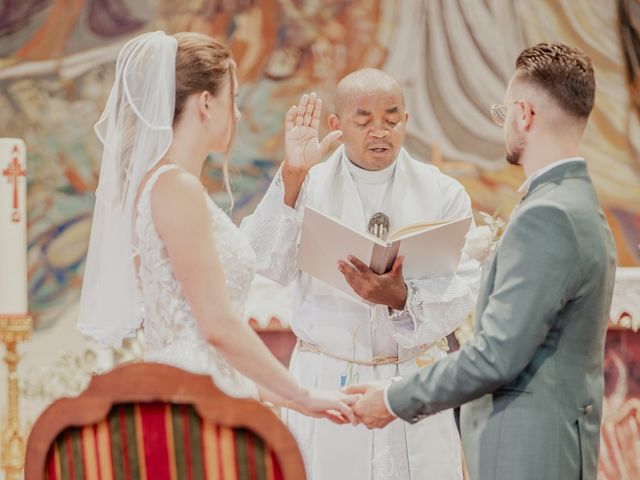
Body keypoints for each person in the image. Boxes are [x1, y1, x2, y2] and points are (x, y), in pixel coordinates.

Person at [349, 43, 617, 480]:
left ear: (524, 114)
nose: (504, 122)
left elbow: (495, 356)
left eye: (503, 110)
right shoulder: (576, 200)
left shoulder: (547, 215)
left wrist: (393, 398)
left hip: (527, 453)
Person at [77, 30, 357, 424]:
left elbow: (209, 342)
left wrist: (295, 401)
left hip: (202, 390)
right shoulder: (176, 187)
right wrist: (304, 394)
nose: (238, 114)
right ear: (206, 103)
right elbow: (218, 327)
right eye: (234, 99)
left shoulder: (165, 185)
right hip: (194, 407)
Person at [241, 68, 479, 479]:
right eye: (363, 119)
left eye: (391, 118)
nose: (380, 131)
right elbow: (266, 261)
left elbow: (466, 286)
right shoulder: (309, 184)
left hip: (411, 379)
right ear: (336, 124)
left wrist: (402, 299)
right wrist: (293, 176)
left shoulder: (443, 192)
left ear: (406, 119)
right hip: (328, 378)